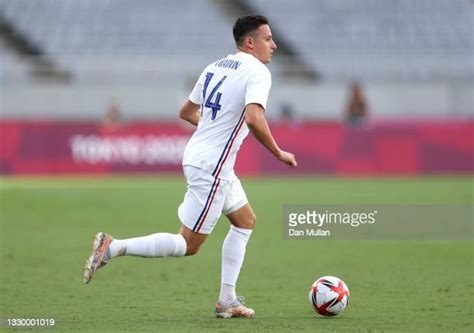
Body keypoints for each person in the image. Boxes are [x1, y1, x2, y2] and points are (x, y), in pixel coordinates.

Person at [82, 15, 297, 318]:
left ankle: (227, 300)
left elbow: (185, 112)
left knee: (245, 221)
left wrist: (212, 129)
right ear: (250, 42)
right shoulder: (258, 72)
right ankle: (114, 247)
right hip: (213, 166)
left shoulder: (215, 66)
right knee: (188, 243)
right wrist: (277, 152)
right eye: (268, 38)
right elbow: (253, 118)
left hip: (204, 157)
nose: (274, 45)